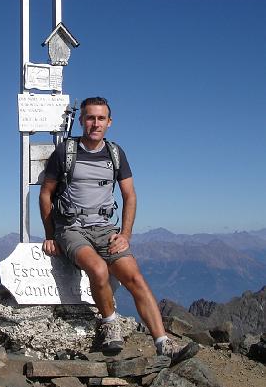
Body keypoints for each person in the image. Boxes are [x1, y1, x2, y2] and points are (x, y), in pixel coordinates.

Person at [39, 96, 198, 364]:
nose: (95, 123)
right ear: (81, 121)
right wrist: (50, 235)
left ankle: (163, 343)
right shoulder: (66, 151)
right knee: (99, 269)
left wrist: (125, 235)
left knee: (134, 277)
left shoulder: (115, 153)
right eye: (90, 118)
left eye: (101, 118)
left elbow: (130, 196)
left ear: (109, 122)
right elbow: (46, 194)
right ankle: (110, 325)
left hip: (105, 228)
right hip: (71, 228)